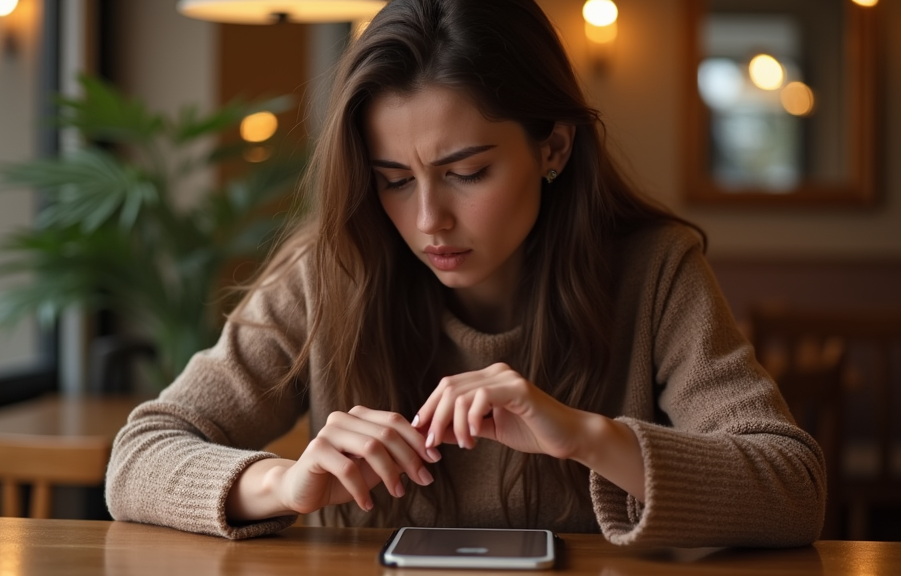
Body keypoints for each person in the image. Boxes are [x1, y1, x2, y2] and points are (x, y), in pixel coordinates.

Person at [105, 0, 826, 547]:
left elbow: (793, 486)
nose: (427, 222)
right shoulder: (329, 271)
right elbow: (137, 456)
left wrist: (584, 436)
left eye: (467, 173)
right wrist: (281, 483)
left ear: (554, 148)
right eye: (392, 180)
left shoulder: (655, 271)